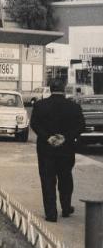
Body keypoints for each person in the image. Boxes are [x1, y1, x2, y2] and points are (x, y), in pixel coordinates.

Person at [30, 79, 85, 222]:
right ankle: (66, 208)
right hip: (66, 150)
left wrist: (48, 137)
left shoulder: (40, 105)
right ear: (64, 89)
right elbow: (81, 126)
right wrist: (65, 137)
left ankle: (51, 213)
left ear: (50, 88)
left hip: (46, 149)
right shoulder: (73, 107)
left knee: (47, 180)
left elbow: (34, 124)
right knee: (65, 177)